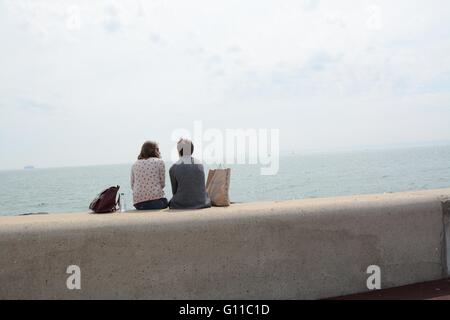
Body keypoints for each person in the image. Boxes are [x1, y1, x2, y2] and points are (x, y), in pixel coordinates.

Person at [169, 139, 211, 209]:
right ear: (192, 150)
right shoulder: (200, 164)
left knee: (170, 201)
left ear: (179, 151)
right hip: (202, 202)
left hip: (181, 204)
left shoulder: (173, 168)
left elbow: (174, 191)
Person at [131, 141, 168, 210]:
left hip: (139, 204)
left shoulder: (134, 164)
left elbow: (132, 186)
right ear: (154, 150)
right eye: (158, 149)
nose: (159, 151)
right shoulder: (160, 162)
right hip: (157, 203)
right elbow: (162, 184)